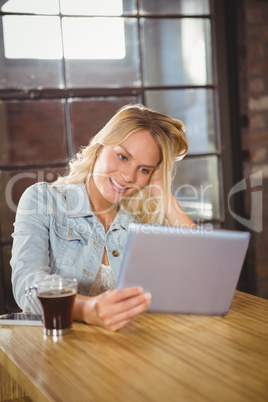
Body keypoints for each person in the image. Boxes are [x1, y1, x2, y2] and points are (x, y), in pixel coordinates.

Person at [11, 103, 196, 331]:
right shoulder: (44, 200)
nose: (128, 176)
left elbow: (197, 277)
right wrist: (87, 309)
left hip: (126, 350)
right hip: (58, 348)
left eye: (144, 169)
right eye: (122, 157)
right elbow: (26, 284)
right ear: (100, 147)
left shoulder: (142, 219)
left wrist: (163, 193)